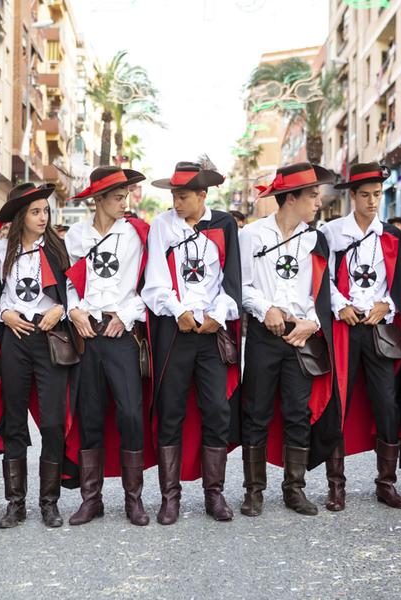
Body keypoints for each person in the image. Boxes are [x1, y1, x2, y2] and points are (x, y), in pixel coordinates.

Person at [142, 161, 242, 524]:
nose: (176, 203)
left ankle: (214, 495)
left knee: (217, 409)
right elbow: (154, 282)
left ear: (202, 195)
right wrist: (177, 309)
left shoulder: (224, 224)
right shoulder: (161, 226)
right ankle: (171, 498)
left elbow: (232, 280)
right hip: (175, 331)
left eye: (183, 197)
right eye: (173, 196)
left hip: (211, 331)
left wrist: (219, 313)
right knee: (171, 410)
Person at [239, 161, 340, 517]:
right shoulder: (252, 235)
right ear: (291, 198)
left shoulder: (316, 238)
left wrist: (311, 323)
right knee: (257, 412)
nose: (318, 203)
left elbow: (322, 294)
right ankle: (253, 491)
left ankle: (294, 489)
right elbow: (242, 286)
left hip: (300, 336)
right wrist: (265, 308)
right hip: (265, 337)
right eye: (312, 196)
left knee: (298, 412)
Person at [319, 163, 401, 511]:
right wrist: (340, 304)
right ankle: (336, 487)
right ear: (352, 196)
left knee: (386, 404)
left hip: (378, 329)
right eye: (365, 195)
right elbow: (322, 279)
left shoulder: (391, 235)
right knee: (339, 403)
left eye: (377, 194)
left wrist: (385, 306)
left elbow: (398, 284)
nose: (372, 201)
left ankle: (386, 484)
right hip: (345, 329)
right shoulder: (331, 233)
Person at [63, 166, 153, 527]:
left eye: (126, 196)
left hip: (121, 333)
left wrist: (128, 315)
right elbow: (69, 282)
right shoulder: (75, 236)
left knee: (131, 412)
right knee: (90, 414)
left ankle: (134, 499)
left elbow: (149, 284)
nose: (124, 203)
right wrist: (74, 310)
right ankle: (91, 499)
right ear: (97, 200)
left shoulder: (137, 234)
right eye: (117, 198)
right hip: (88, 333)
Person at [0, 183, 76, 529]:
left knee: (53, 421)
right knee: (13, 421)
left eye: (46, 211)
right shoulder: (1, 250)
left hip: (48, 338)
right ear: (21, 216)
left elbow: (73, 291)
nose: (43, 217)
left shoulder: (58, 249)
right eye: (36, 212)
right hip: (16, 336)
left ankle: (49, 501)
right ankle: (15, 503)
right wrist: (5, 314)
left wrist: (59, 309)